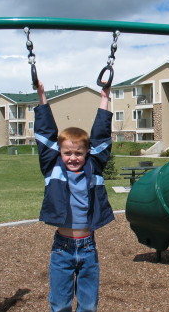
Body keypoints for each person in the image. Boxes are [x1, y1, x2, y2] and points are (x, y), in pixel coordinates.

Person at [34, 80, 114, 312]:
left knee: (88, 305)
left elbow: (101, 134)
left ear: (87, 152)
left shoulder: (94, 167)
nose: (73, 157)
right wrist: (42, 95)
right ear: (59, 153)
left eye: (78, 153)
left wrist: (104, 98)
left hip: (88, 247)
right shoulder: (52, 168)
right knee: (60, 304)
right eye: (67, 152)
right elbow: (45, 132)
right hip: (62, 249)